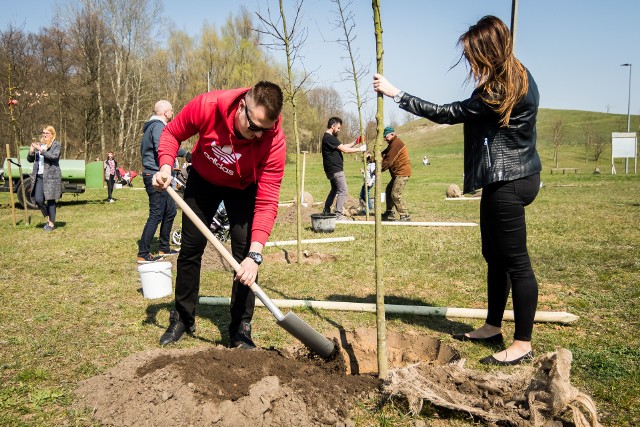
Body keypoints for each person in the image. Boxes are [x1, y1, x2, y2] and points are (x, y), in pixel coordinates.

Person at [374, 15, 541, 366]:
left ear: (488, 50)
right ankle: (493, 326)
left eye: (473, 54)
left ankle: (523, 343)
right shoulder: (512, 76)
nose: (470, 62)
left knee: (516, 263)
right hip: (504, 178)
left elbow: (448, 113)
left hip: (510, 180)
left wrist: (397, 94)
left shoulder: (502, 87)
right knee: (494, 257)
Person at [152, 81, 286, 350]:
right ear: (241, 107)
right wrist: (166, 165)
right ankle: (183, 317)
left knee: (245, 259)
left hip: (244, 188)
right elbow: (171, 134)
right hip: (203, 181)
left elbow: (268, 199)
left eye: (265, 129)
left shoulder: (273, 141)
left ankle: (240, 328)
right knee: (190, 249)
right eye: (254, 126)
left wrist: (256, 254)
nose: (259, 135)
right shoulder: (207, 106)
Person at [137, 100, 178, 264]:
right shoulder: (158, 126)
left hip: (155, 173)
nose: (173, 113)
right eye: (172, 111)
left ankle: (164, 247)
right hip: (156, 176)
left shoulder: (151, 127)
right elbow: (163, 146)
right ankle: (143, 253)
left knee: (171, 211)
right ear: (165, 112)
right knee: (156, 214)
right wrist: (184, 153)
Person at [321, 117, 366, 219]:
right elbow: (345, 150)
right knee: (343, 190)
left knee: (334, 189)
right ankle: (338, 215)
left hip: (331, 169)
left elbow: (342, 146)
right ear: (333, 126)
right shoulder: (329, 138)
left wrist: (355, 142)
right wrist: (360, 149)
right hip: (336, 169)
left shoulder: (329, 138)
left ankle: (327, 210)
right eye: (338, 128)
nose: (339, 130)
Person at [28, 125, 62, 231]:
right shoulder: (40, 145)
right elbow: (30, 159)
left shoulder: (56, 145)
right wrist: (31, 151)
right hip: (39, 176)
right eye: (43, 133)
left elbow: (54, 157)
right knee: (38, 199)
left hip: (51, 177)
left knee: (51, 200)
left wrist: (41, 151)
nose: (45, 135)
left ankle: (51, 223)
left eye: (47, 133)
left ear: (52, 134)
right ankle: (48, 217)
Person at [380, 127, 412, 221]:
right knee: (388, 190)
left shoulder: (396, 144)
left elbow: (388, 160)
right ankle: (390, 212)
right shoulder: (392, 144)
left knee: (395, 194)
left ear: (392, 134)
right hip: (397, 173)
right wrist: (372, 159)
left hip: (402, 173)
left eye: (386, 137)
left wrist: (377, 170)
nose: (385, 139)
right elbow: (383, 154)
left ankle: (405, 215)